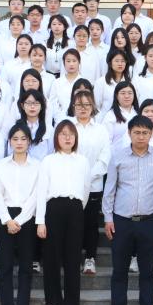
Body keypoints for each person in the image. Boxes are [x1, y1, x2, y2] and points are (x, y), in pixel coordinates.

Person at [102, 115, 153, 305]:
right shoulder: (118, 157)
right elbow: (109, 190)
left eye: (145, 133)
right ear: (129, 133)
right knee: (119, 270)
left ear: (151, 134)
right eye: (137, 132)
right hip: (122, 221)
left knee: (148, 271)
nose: (141, 136)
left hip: (149, 221)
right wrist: (108, 218)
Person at [36, 120, 91, 305]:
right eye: (63, 134)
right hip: (53, 209)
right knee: (51, 260)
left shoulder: (82, 161)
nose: (67, 138)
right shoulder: (48, 161)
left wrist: (76, 209)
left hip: (75, 209)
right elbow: (41, 191)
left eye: (71, 134)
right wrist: (40, 221)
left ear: (76, 137)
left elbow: (86, 189)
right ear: (56, 137)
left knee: (72, 260)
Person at [0, 122, 40, 305]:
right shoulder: (0, 166)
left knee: (26, 267)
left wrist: (19, 220)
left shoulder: (37, 166)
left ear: (29, 142)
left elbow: (36, 196)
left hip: (27, 218)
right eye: (15, 139)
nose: (19, 142)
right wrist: (7, 220)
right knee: (5, 266)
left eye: (23, 139)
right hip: (5, 217)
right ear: (10, 142)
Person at [70, 90, 110, 276]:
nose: (83, 108)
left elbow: (104, 157)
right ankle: (72, 257)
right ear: (73, 106)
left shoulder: (100, 130)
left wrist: (87, 176)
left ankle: (90, 258)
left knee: (91, 223)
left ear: (93, 106)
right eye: (79, 105)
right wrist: (77, 177)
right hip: (71, 185)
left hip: (93, 185)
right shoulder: (68, 127)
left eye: (87, 104)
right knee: (73, 223)